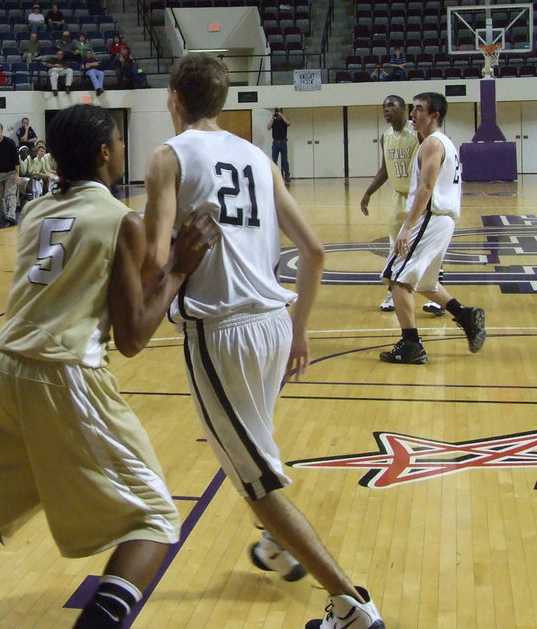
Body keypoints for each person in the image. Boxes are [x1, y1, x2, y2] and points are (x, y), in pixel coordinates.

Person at [0, 103, 220, 629]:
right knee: (155, 519)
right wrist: (179, 270)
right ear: (105, 153)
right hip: (65, 372)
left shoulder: (35, 213)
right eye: (120, 142)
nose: (124, 149)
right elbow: (131, 338)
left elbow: (76, 278)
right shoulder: (123, 221)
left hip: (4, 370)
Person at [141, 53, 386, 629]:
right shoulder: (257, 155)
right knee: (254, 448)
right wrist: (299, 328)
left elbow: (156, 262)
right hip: (274, 324)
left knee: (253, 480)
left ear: (174, 98)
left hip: (220, 330)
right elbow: (316, 250)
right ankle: (277, 549)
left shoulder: (167, 157)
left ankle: (352, 605)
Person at [380, 92, 486, 367]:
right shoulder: (445, 143)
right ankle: (465, 316)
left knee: (397, 279)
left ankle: (411, 344)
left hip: (431, 216)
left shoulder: (431, 144)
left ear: (434, 116)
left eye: (419, 109)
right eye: (412, 109)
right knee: (426, 282)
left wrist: (406, 227)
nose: (413, 114)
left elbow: (426, 189)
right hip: (443, 219)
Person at [359, 95, 420, 313]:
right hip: (398, 196)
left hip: (419, 196)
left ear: (404, 109)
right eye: (383, 106)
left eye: (391, 105)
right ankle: (392, 294)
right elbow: (384, 170)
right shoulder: (386, 136)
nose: (386, 109)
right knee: (395, 246)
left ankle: (434, 295)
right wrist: (368, 193)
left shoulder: (417, 134)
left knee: (424, 246)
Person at [268, 108, 291, 183]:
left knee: (284, 160)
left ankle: (286, 175)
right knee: (274, 160)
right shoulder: (274, 121)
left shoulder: (284, 120)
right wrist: (272, 118)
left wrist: (282, 115)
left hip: (283, 142)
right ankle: (274, 176)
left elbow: (288, 123)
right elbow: (268, 127)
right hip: (275, 142)